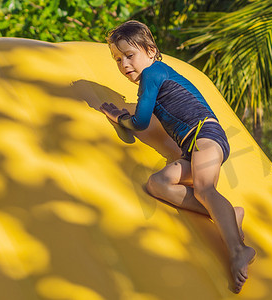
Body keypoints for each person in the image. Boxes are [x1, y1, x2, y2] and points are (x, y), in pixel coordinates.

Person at [97, 20, 256, 294]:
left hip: (205, 135)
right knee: (158, 183)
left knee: (205, 188)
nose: (124, 64)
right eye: (117, 59)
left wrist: (119, 116)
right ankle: (227, 214)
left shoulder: (154, 73)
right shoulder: (152, 75)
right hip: (193, 148)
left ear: (150, 50)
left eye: (129, 55)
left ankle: (238, 250)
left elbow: (141, 120)